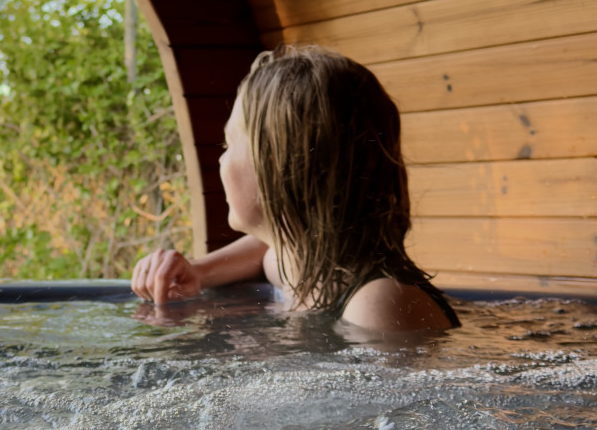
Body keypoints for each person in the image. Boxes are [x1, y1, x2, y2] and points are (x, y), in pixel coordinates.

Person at [131, 46, 460, 331]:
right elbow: (267, 248)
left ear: (279, 164)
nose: (221, 161)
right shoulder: (295, 266)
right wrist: (199, 271)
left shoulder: (378, 305)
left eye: (228, 144)